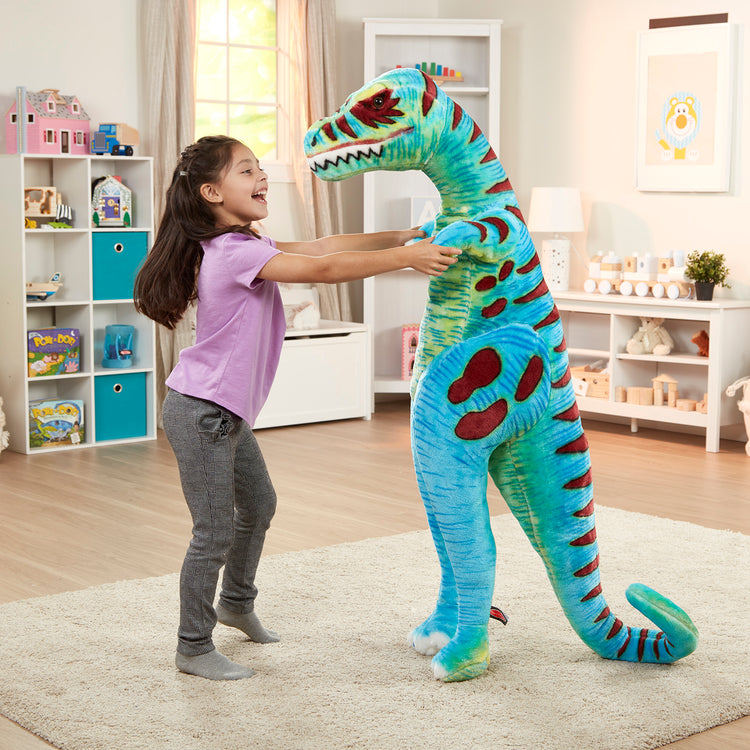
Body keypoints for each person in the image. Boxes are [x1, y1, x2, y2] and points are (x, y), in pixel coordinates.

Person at [133, 135, 459, 681]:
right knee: (211, 533)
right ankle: (192, 647)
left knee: (258, 506)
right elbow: (327, 270)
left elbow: (327, 244)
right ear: (212, 192)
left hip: (224, 413)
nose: (261, 176)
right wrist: (406, 259)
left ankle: (235, 602)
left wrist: (403, 235)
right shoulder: (236, 253)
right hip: (202, 413)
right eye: (246, 171)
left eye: (260, 167)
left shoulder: (247, 244)